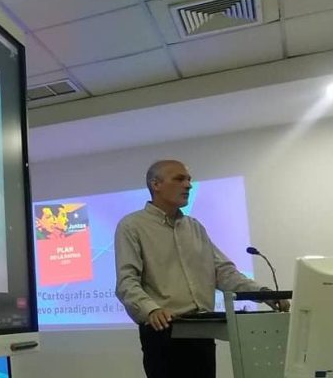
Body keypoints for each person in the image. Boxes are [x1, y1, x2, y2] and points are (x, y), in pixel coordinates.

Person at [114, 160, 288, 378]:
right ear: (156, 184)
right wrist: (151, 310)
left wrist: (263, 294)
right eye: (179, 179)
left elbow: (223, 272)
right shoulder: (132, 226)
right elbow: (126, 282)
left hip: (202, 332)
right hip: (164, 332)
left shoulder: (195, 227)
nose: (188, 185)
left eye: (189, 180)